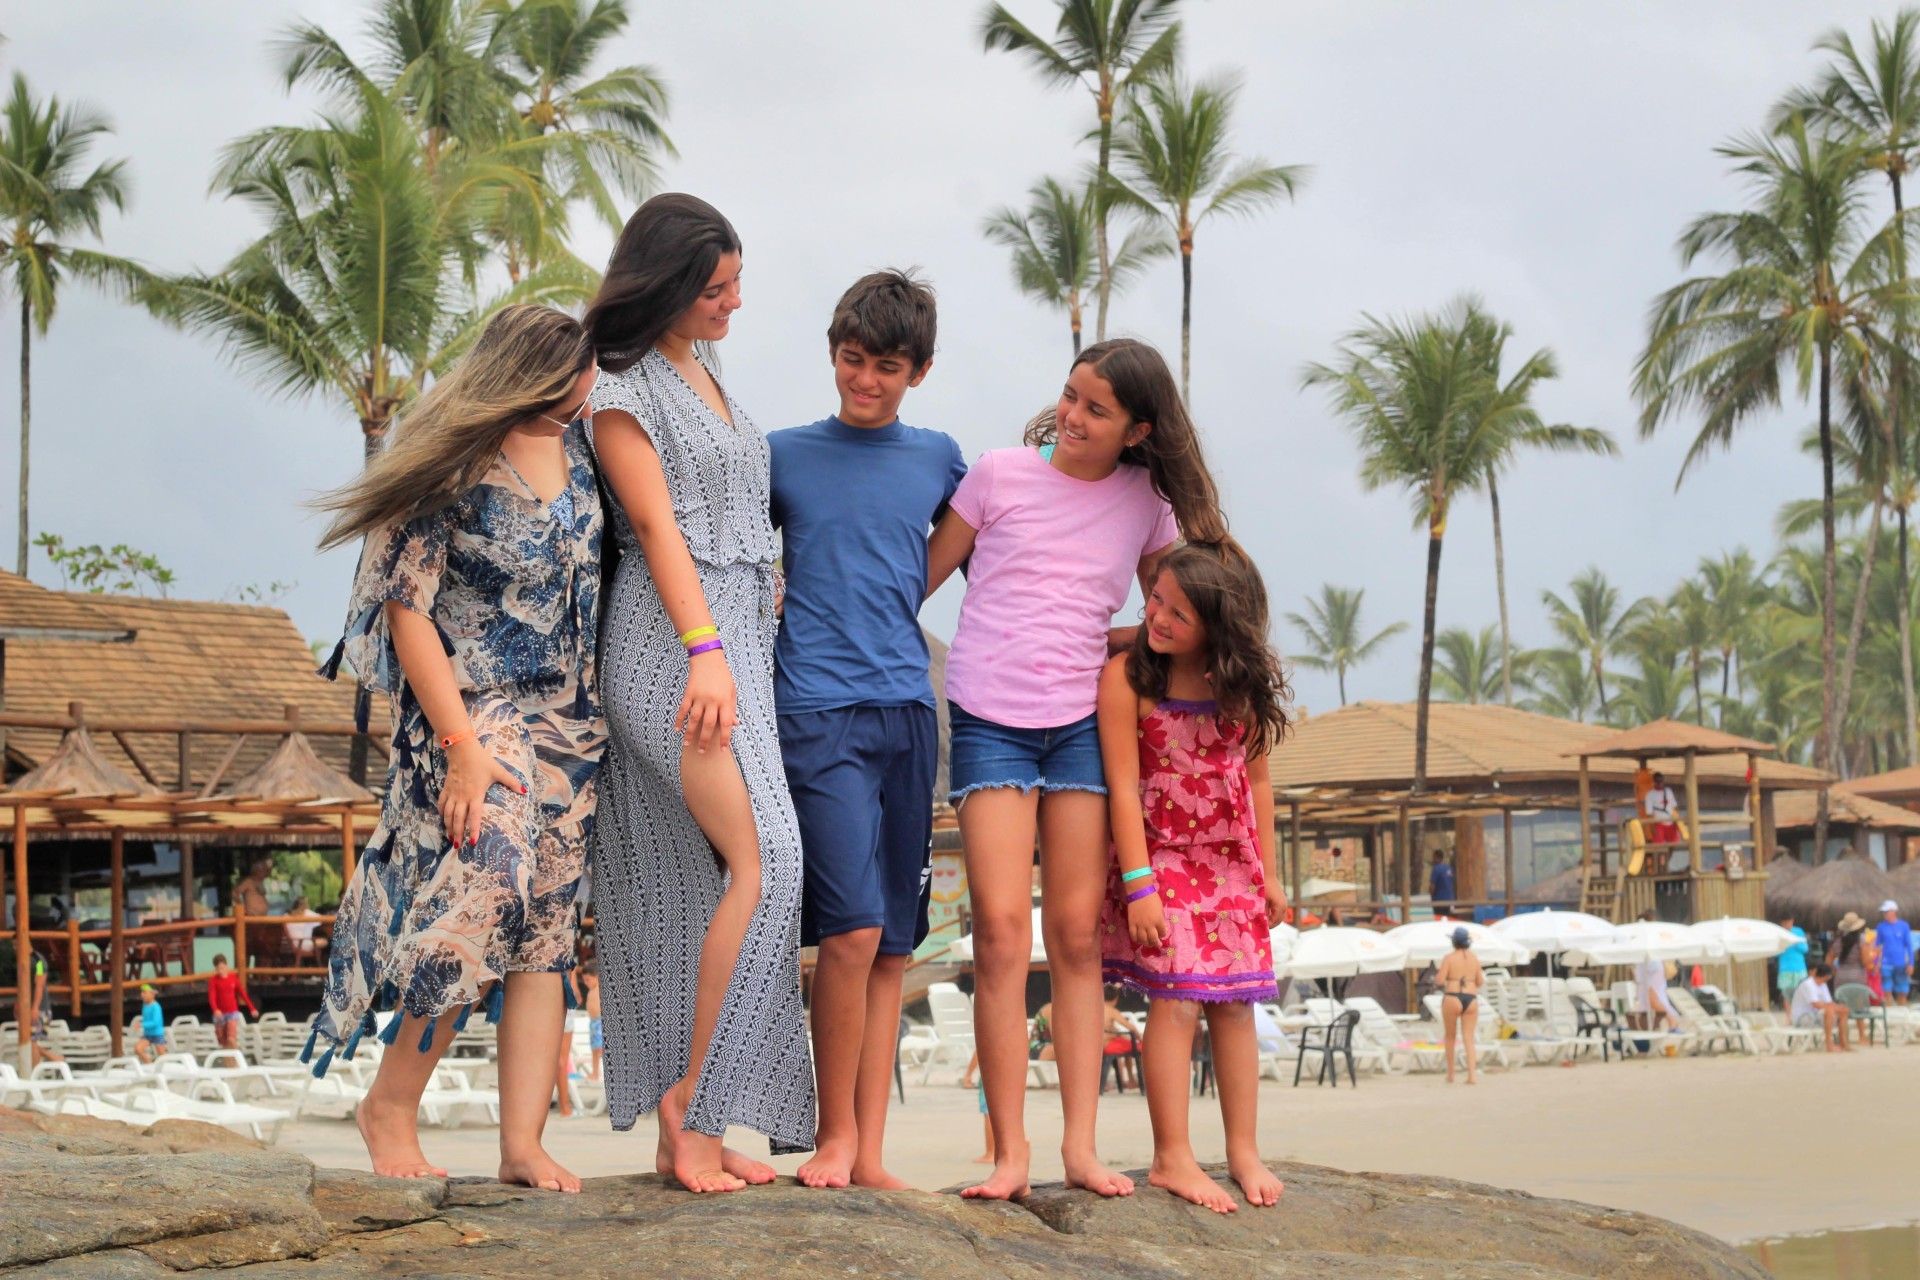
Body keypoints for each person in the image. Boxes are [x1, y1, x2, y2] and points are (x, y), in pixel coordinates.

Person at [308, 304, 606, 1192]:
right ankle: (390, 1102)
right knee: (491, 879)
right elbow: (408, 608)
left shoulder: (586, 453)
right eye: (587, 368)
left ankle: (522, 1144)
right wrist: (462, 746)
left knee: (548, 926)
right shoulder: (452, 461)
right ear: (547, 371)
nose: (597, 382)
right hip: (473, 713)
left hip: (574, 726)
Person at [926, 337, 1227, 1202]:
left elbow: (1183, 608)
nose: (1073, 417)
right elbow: (914, 580)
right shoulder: (998, 475)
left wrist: (1125, 641)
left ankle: (1081, 1150)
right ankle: (1009, 1153)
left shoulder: (1147, 506)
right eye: (1069, 397)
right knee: (997, 934)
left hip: (1085, 731)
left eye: (1096, 410)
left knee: (1075, 940)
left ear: (1137, 431)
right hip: (989, 719)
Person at [585, 193, 811, 1193]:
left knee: (703, 878)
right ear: (668, 284)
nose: (734, 303)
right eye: (716, 288)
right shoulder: (619, 381)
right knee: (769, 859)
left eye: (735, 284)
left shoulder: (701, 359)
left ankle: (700, 1122)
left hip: (734, 639)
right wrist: (707, 648)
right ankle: (692, 1105)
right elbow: (656, 526)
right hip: (671, 641)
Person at [769, 270, 964, 1191]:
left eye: (886, 366)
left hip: (909, 711)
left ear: (917, 371)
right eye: (852, 360)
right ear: (834, 355)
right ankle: (832, 1136)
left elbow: (998, 536)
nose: (866, 380)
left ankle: (870, 1152)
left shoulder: (937, 458)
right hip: (813, 710)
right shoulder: (782, 455)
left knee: (891, 942)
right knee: (846, 931)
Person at [1096, 539, 1288, 1214]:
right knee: (1175, 1002)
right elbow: (1123, 788)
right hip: (1165, 863)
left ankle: (1243, 1148)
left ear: (1218, 623)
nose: (1158, 617)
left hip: (1232, 862)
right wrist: (1139, 885)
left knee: (1235, 1004)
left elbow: (1258, 780)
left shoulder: (1240, 687)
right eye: (1155, 600)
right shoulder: (1129, 678)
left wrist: (1269, 872)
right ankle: (1172, 1155)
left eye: (1179, 610)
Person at [1435, 927, 1485, 1085]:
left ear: (1453, 941)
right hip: (1471, 997)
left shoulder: (1449, 958)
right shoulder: (1474, 958)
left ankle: (1451, 1074)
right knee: (1469, 1038)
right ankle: (1472, 1075)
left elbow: (1440, 981)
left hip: (1452, 996)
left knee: (1450, 1036)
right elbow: (1480, 981)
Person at [1631, 912, 1680, 1033]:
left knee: (1653, 1001)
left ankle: (1670, 1023)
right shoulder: (1649, 949)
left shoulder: (1648, 944)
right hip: (1651, 971)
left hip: (1653, 971)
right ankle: (1669, 1024)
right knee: (1653, 999)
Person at [1790, 963, 1850, 1051]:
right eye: (1826, 978)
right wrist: (1833, 1007)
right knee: (1829, 1011)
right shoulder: (1808, 984)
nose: (1827, 980)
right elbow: (1816, 1004)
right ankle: (1829, 1045)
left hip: (1816, 1015)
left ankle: (1844, 1044)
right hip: (1802, 1018)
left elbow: (1829, 1002)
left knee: (1843, 1011)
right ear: (1822, 976)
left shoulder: (1823, 984)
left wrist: (1838, 1008)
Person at [206, 953, 257, 1051]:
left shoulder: (233, 978)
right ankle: (228, 1059)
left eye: (222, 967)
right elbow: (212, 997)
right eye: (218, 969)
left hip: (232, 1012)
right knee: (222, 1041)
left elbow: (243, 994)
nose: (220, 971)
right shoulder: (213, 981)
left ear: (226, 966)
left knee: (231, 1037)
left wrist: (252, 1008)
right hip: (220, 1014)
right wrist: (215, 1009)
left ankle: (235, 1055)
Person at [26, 949, 63, 1067]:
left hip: (40, 1009)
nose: (15, 948)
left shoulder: (39, 962)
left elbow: (39, 985)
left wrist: (35, 1008)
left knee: (31, 1042)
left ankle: (54, 1057)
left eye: (17, 945)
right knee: (31, 1042)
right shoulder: (24, 960)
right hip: (30, 1007)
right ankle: (51, 1059)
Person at [1875, 899, 1913, 1007]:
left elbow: (1909, 946)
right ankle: (1889, 1011)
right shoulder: (1881, 926)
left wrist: (1911, 963)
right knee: (1886, 988)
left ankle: (1902, 1012)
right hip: (1886, 962)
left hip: (1900, 962)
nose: (1884, 914)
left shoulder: (1904, 926)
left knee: (1903, 989)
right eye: (1884, 912)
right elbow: (1877, 946)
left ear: (1893, 911)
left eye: (1886, 912)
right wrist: (1876, 962)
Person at [1775, 913, 1809, 1011]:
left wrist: (1794, 941)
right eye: (1785, 923)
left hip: (1800, 967)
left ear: (1792, 921)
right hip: (1785, 968)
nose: (1787, 925)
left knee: (1801, 992)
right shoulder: (1778, 932)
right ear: (1781, 923)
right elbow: (1776, 952)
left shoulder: (1798, 932)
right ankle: (1789, 1017)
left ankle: (1800, 1013)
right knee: (1786, 993)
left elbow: (1805, 949)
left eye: (1789, 922)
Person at [1831, 912, 1870, 989]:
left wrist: (1835, 972)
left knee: (1841, 1000)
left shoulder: (1837, 941)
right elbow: (1865, 962)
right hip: (1858, 976)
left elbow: (1828, 962)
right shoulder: (1861, 941)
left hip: (1840, 976)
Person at [579, 955, 604, 1081]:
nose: (585, 983)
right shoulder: (591, 990)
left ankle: (606, 1073)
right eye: (584, 980)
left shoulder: (601, 989)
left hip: (601, 1022)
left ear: (598, 977)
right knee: (595, 1049)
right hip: (593, 1023)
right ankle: (595, 1073)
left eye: (588, 980)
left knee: (601, 1049)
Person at [135, 984, 169, 1064]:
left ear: (152, 994)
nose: (142, 995)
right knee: (138, 1049)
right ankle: (149, 1063)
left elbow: (155, 1022)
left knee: (162, 1055)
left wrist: (142, 1024)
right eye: (142, 992)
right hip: (147, 1035)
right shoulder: (145, 1005)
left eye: (144, 992)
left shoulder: (156, 1007)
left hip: (157, 1034)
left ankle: (167, 1067)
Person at [1645, 773, 1680, 848]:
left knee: (1673, 845)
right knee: (1659, 848)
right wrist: (1652, 829)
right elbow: (1649, 814)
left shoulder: (1668, 791)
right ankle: (1661, 859)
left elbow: (1674, 807)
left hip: (1671, 823)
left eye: (1661, 781)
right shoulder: (1650, 795)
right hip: (1659, 824)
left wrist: (1677, 823)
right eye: (1657, 781)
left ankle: (1666, 858)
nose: (1659, 783)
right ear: (1654, 782)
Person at [1428, 851, 1455, 915]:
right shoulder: (1448, 868)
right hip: (1449, 899)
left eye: (1434, 857)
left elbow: (1432, 886)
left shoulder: (1436, 869)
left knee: (1439, 918)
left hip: (1439, 900)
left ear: (1437, 857)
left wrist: (1431, 894)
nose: (1433, 859)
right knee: (1446, 917)